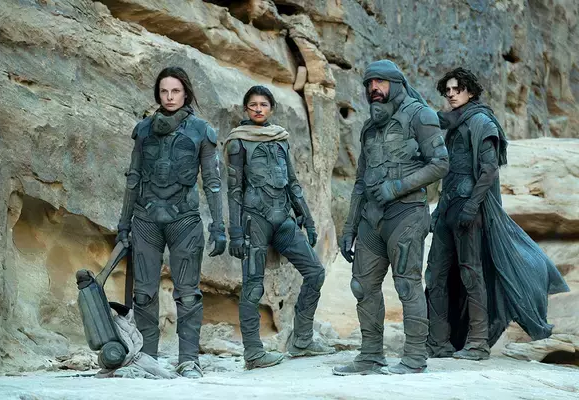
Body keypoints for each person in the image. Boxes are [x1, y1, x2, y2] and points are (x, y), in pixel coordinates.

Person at [426, 67, 569, 360]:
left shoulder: (481, 122)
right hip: (448, 207)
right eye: (447, 90)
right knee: (436, 274)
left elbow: (489, 170)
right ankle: (438, 342)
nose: (451, 94)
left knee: (471, 273)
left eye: (456, 89)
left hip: (469, 209)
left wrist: (471, 206)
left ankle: (478, 343)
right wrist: (440, 210)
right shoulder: (455, 124)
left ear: (470, 91)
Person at [333, 60, 449, 375]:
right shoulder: (369, 127)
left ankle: (414, 358)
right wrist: (349, 227)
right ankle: (371, 355)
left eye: (380, 82)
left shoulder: (421, 115)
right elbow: (360, 181)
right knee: (362, 286)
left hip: (406, 214)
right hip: (371, 219)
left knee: (408, 286)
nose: (374, 89)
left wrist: (396, 187)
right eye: (369, 84)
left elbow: (440, 163)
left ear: (396, 84)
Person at [116, 66, 226, 378]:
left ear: (185, 93)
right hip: (146, 220)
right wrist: (124, 224)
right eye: (164, 91)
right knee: (143, 294)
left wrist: (219, 226)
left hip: (185, 221)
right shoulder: (143, 130)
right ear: (158, 94)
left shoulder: (201, 130)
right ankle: (147, 358)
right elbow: (133, 178)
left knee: (188, 293)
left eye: (175, 91)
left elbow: (213, 181)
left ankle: (189, 360)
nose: (169, 96)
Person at [225, 85, 335, 370]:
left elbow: (293, 183)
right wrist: (235, 232)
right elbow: (234, 190)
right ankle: (253, 353)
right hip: (255, 222)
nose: (258, 109)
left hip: (284, 220)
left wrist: (307, 219)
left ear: (271, 108)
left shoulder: (280, 138)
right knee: (252, 287)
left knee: (315, 272)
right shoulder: (238, 142)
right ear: (245, 109)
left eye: (263, 104)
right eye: (253, 105)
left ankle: (302, 340)